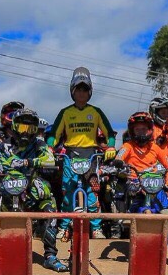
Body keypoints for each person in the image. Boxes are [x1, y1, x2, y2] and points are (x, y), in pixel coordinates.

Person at [0, 108, 69, 272]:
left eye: (30, 128)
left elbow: (49, 158)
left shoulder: (39, 143)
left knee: (49, 204)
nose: (26, 132)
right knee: (1, 202)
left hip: (33, 184)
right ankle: (7, 250)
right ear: (14, 127)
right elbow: (3, 163)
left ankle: (50, 256)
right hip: (11, 186)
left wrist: (28, 162)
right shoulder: (6, 145)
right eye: (22, 128)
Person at [115, 111, 168, 267]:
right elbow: (119, 157)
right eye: (137, 129)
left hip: (156, 187)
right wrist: (119, 163)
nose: (141, 132)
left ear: (150, 130)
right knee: (136, 215)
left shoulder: (155, 147)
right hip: (136, 186)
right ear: (132, 131)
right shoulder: (127, 146)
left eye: (144, 129)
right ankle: (139, 249)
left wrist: (167, 182)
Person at [49, 67, 117, 217]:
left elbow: (109, 134)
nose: (81, 93)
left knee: (93, 191)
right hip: (70, 155)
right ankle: (65, 226)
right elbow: (54, 135)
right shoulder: (65, 112)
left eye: (85, 90)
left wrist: (111, 146)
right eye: (78, 89)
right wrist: (49, 148)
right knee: (68, 190)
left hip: (90, 156)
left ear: (90, 92)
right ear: (72, 91)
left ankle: (96, 228)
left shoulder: (96, 112)